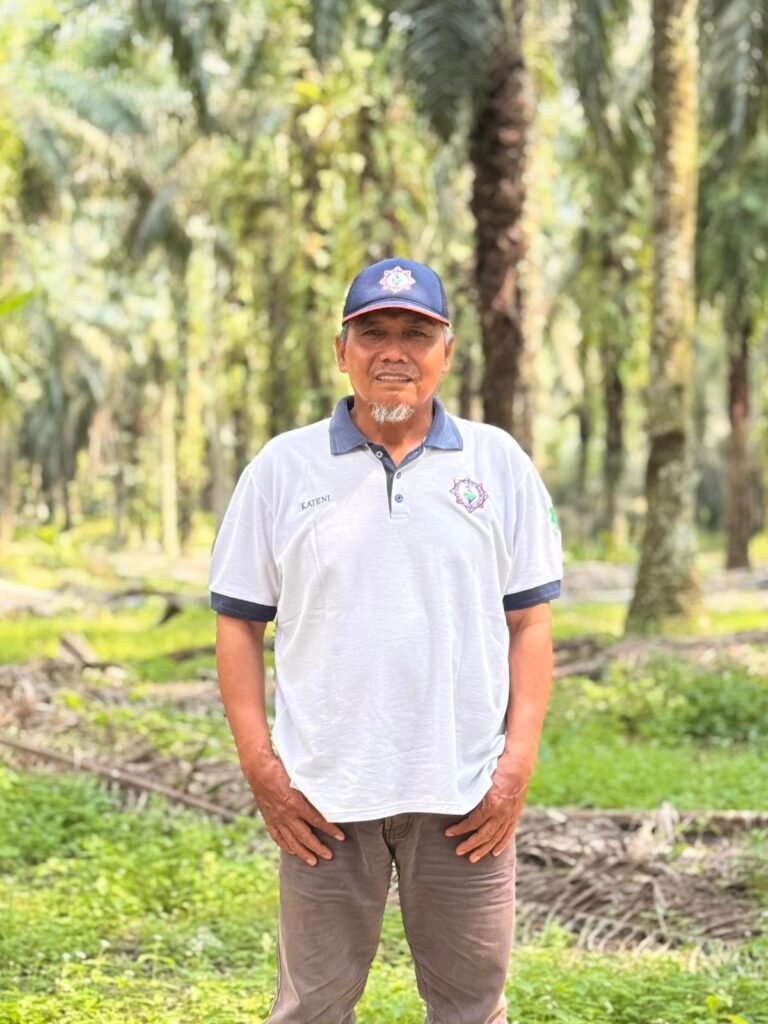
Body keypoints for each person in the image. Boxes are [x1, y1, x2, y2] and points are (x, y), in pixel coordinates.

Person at [209, 257, 562, 1024]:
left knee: (472, 1009)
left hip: (465, 795)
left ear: (447, 352)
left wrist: (515, 767)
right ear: (343, 350)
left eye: (415, 334)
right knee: (313, 1008)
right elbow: (238, 621)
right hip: (324, 797)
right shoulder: (282, 469)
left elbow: (530, 621)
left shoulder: (499, 464)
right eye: (373, 333)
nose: (394, 351)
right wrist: (263, 768)